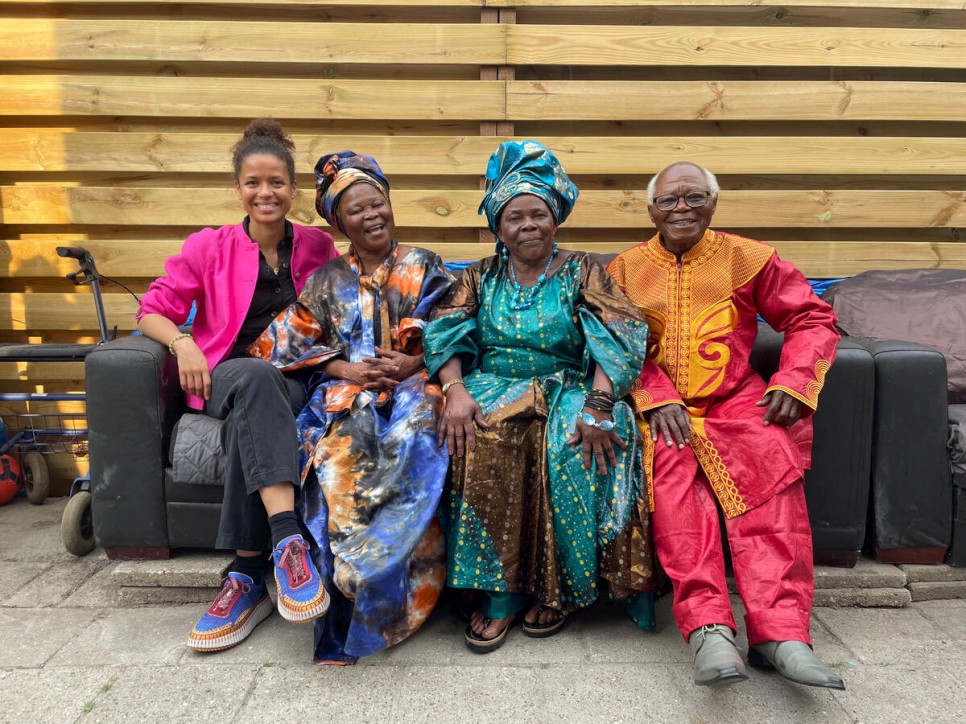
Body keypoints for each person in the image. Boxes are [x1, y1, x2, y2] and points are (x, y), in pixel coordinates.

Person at [607, 161, 845, 690]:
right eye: (669, 200)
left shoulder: (749, 257)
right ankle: (708, 628)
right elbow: (615, 345)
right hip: (661, 409)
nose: (682, 209)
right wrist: (655, 395)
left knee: (772, 471)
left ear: (713, 204)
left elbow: (811, 318)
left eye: (694, 197)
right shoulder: (624, 270)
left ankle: (781, 634)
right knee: (673, 488)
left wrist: (792, 381)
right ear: (651, 210)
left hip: (737, 401)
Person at [423, 140, 655, 654]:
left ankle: (562, 592)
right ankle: (499, 596)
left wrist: (598, 405)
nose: (528, 225)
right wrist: (455, 390)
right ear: (497, 229)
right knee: (484, 433)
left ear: (555, 220)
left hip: (571, 383)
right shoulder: (478, 276)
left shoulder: (584, 270)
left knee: (575, 442)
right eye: (514, 217)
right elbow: (444, 334)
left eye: (538, 214)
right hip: (490, 383)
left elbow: (618, 335)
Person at [137, 119, 339, 652]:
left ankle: (246, 576)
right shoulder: (208, 247)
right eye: (253, 182)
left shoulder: (319, 246)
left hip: (293, 379)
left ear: (294, 190)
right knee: (252, 376)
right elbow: (152, 311)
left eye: (276, 182)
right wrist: (183, 343)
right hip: (226, 371)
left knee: (253, 417)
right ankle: (288, 540)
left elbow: (342, 312)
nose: (265, 192)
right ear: (238, 189)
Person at [248, 151, 453, 664]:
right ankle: (341, 605)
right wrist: (344, 368)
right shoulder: (325, 280)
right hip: (346, 395)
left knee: (417, 438)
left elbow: (458, 326)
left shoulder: (424, 264)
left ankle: (386, 593)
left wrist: (411, 364)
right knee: (335, 460)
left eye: (378, 203)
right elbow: (274, 346)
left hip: (414, 386)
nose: (372, 215)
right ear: (340, 222)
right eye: (357, 210)